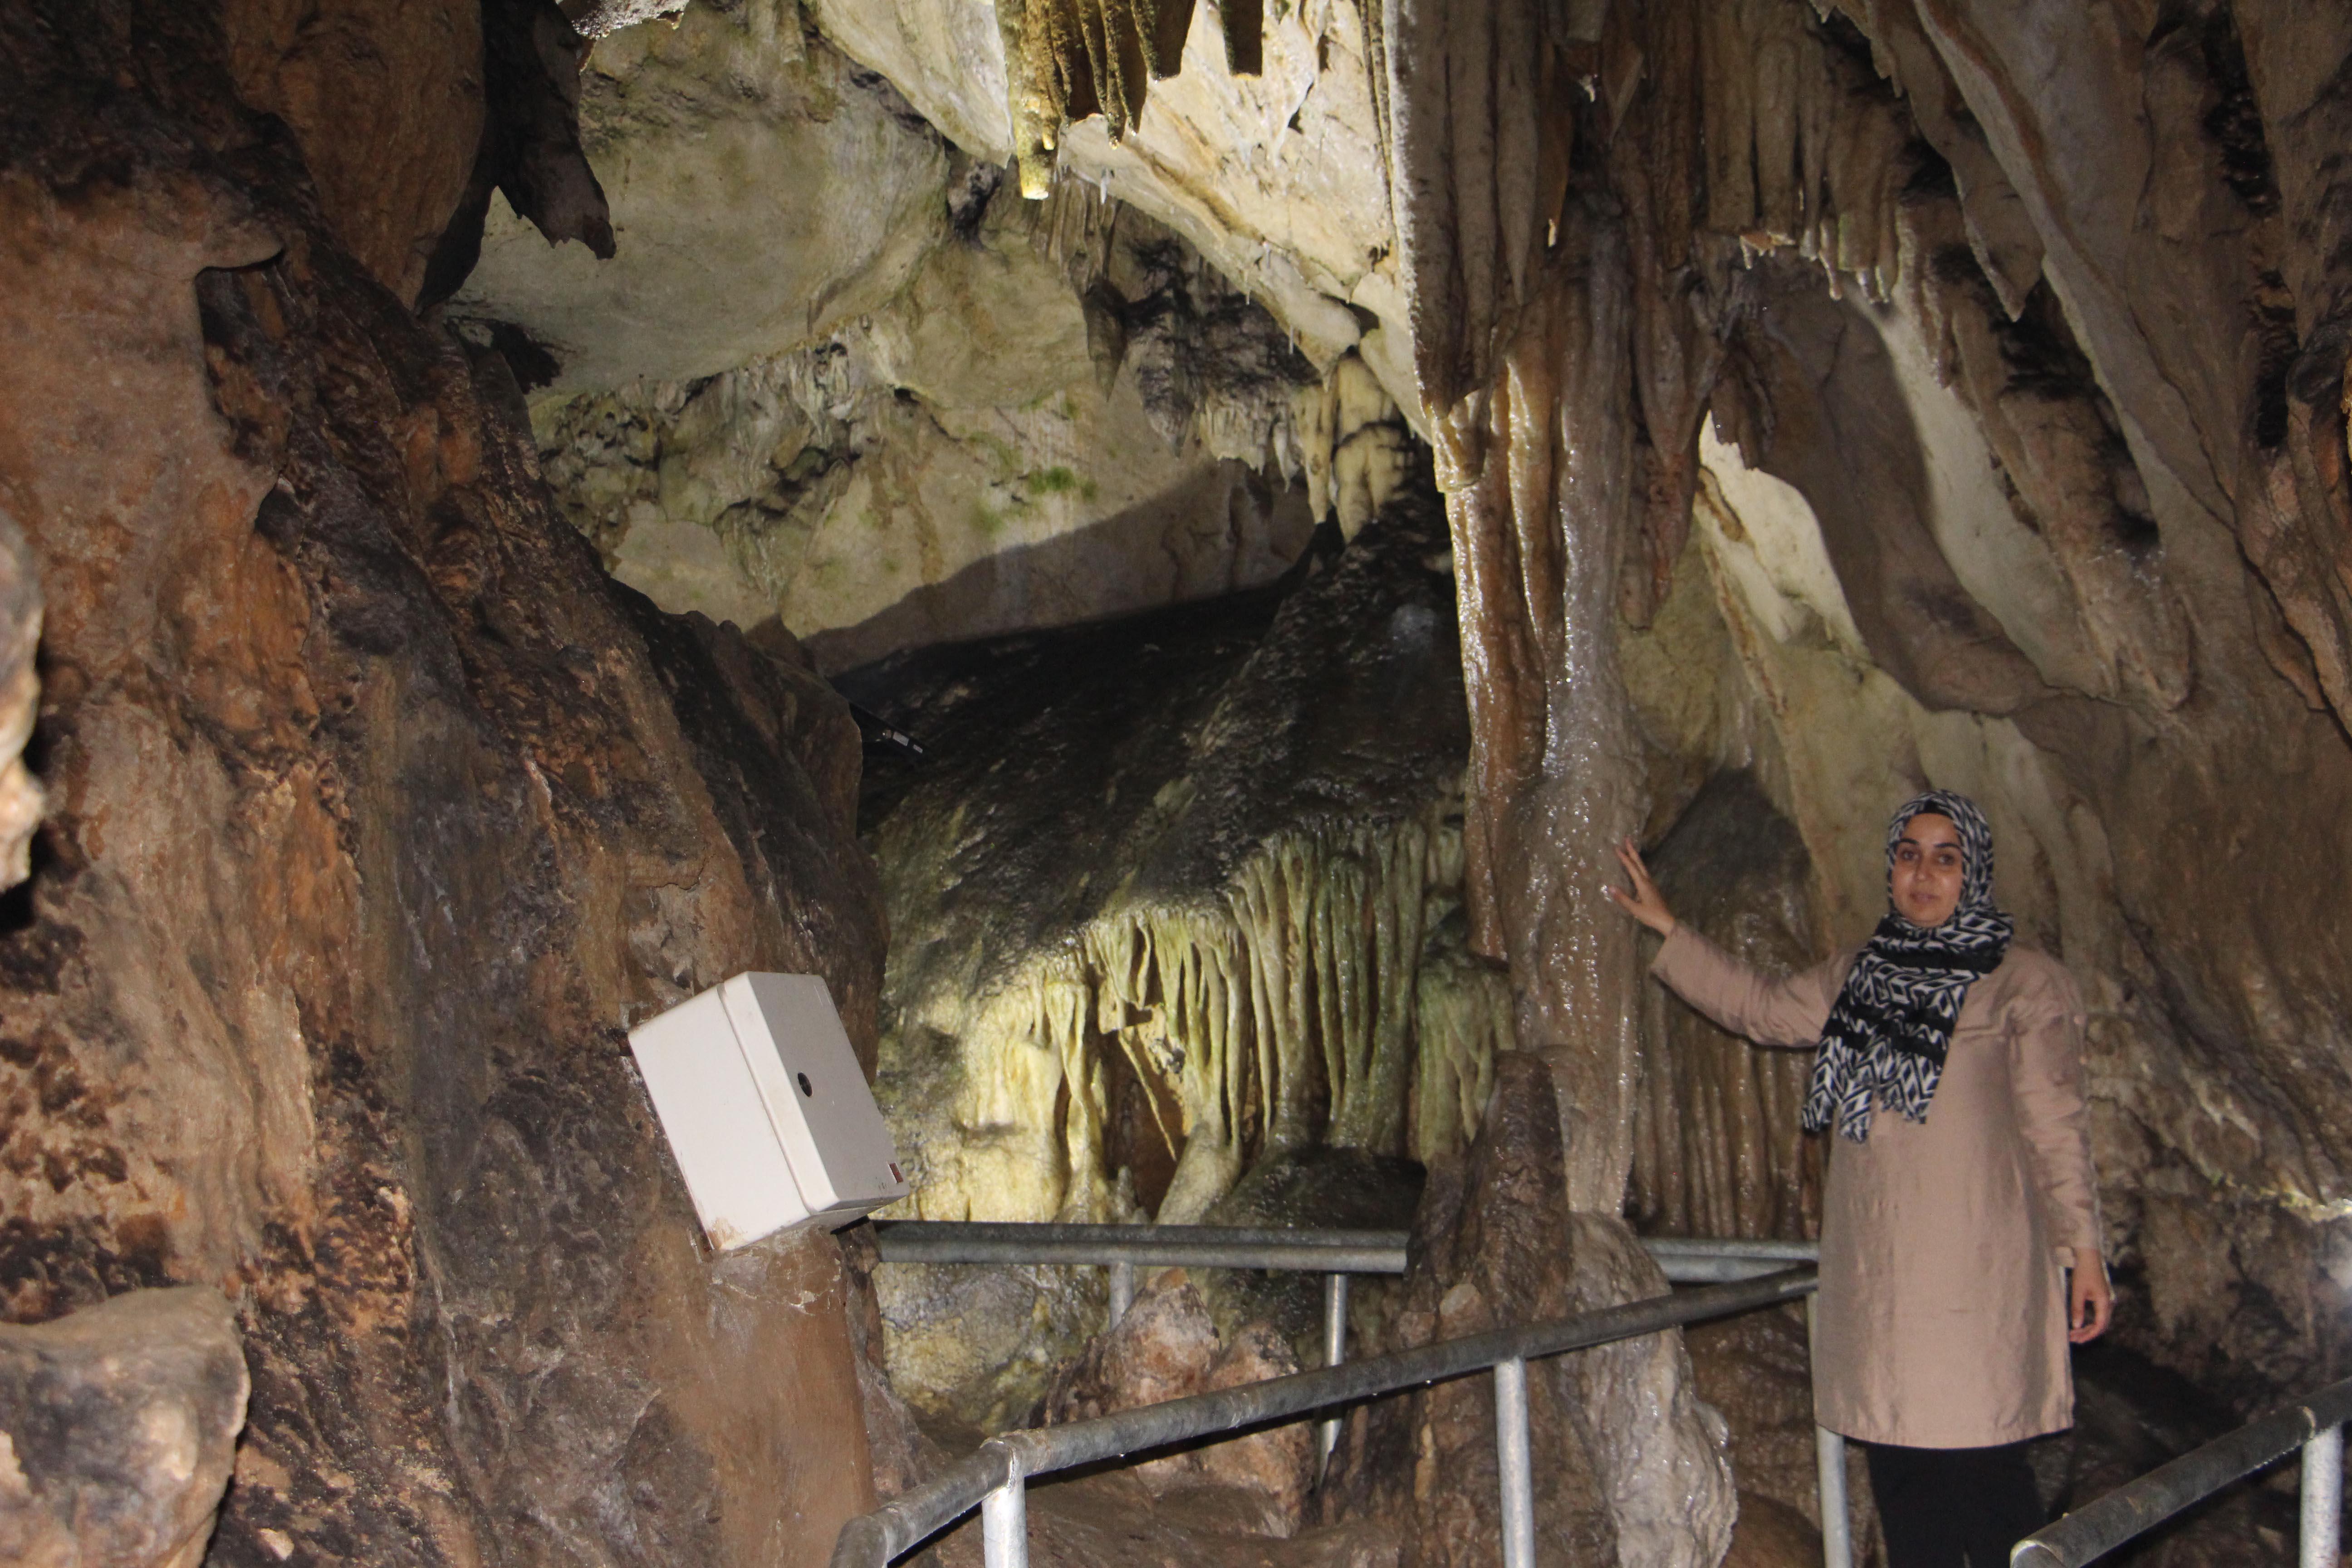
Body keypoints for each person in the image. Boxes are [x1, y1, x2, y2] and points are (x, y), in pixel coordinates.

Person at [1607, 789, 2111, 1568]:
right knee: (1905, 1476)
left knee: (1987, 1479)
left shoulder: (2022, 985)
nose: (1924, 874)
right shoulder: (1857, 977)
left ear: (1973, 871)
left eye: (1946, 858)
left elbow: (2056, 1126)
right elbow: (1764, 1010)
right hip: (1884, 1280)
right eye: (1909, 855)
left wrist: (2084, 1249)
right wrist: (1671, 930)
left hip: (1978, 1279)